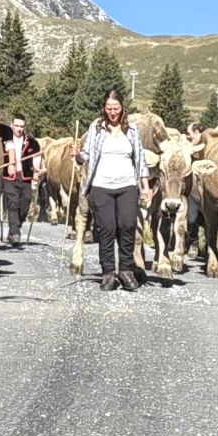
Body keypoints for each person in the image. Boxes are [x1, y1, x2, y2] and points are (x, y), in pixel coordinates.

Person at [76, 89, 150, 291]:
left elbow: (140, 159)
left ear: (122, 108)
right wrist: (78, 156)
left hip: (127, 185)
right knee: (107, 228)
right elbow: (86, 154)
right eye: (109, 108)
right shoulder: (96, 128)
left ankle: (126, 270)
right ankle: (108, 272)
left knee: (128, 225)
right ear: (104, 108)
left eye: (116, 108)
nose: (112, 112)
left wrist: (145, 186)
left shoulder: (132, 130)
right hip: (101, 185)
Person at [0, 117, 42, 246]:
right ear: (11, 125)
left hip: (25, 178)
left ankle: (14, 228)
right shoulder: (5, 140)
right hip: (10, 177)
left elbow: (36, 161)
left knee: (25, 205)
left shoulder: (33, 143)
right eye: (17, 126)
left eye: (21, 126)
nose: (19, 129)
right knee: (13, 204)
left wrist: (38, 170)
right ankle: (15, 233)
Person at [182, 119, 207, 257]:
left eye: (189, 133)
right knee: (192, 218)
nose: (187, 136)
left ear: (197, 132)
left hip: (205, 189)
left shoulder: (207, 148)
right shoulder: (188, 148)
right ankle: (193, 243)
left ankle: (208, 246)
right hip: (192, 190)